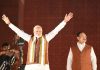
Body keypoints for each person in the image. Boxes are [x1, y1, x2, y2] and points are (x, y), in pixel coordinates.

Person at [2, 12, 73, 70]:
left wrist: (65, 21)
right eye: (36, 30)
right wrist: (9, 23)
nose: (38, 32)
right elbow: (19, 32)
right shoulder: (29, 38)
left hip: (43, 66)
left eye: (39, 30)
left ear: (42, 31)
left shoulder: (46, 38)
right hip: (30, 66)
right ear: (33, 31)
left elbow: (56, 30)